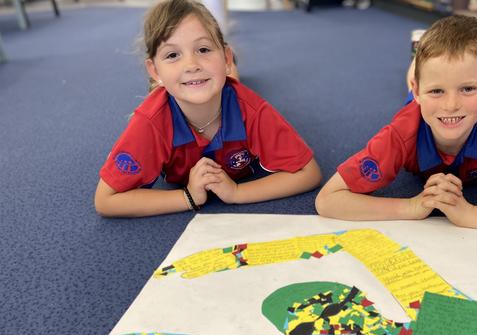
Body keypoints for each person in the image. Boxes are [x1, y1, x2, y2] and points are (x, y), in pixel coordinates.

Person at [316, 15, 477, 235]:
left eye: (468, 88)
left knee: (444, 86)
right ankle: (417, 57)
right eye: (436, 92)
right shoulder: (402, 130)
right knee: (416, 87)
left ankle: (430, 67)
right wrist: (411, 207)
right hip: (417, 103)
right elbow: (328, 200)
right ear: (419, 90)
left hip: (443, 100)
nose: (451, 104)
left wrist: (470, 214)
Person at [95, 0, 321, 217]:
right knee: (212, 81)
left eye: (203, 49)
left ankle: (226, 71)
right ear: (154, 71)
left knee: (231, 83)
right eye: (172, 55)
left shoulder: (252, 110)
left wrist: (237, 192)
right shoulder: (150, 122)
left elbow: (308, 173)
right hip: (181, 90)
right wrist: (188, 197)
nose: (192, 65)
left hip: (227, 84)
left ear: (226, 56)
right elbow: (106, 200)